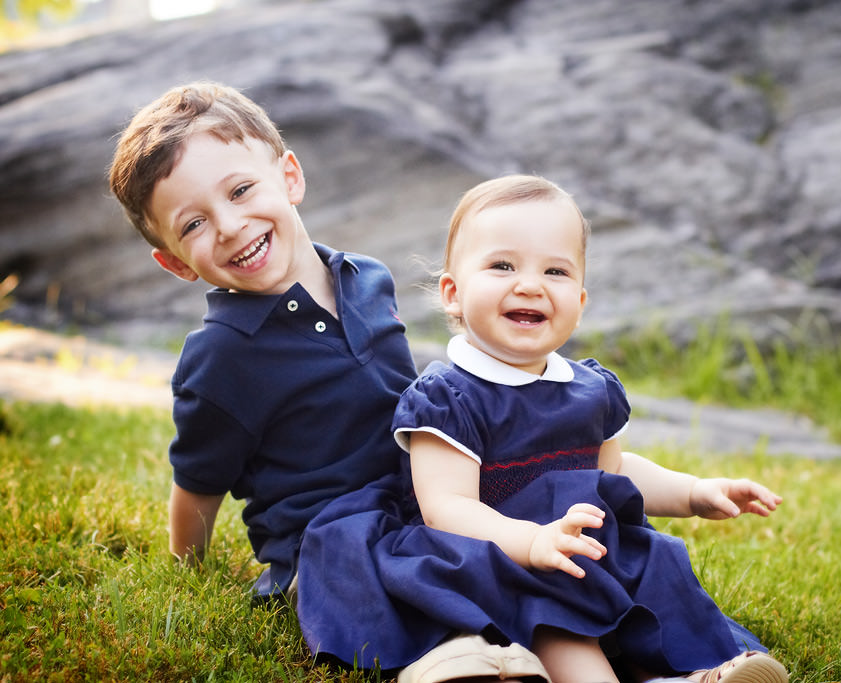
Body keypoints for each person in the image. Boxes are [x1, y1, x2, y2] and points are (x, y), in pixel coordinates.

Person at [107, 82, 551, 683]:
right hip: (329, 533)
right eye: (194, 224)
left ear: (289, 175)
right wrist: (188, 571)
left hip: (420, 496)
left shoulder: (367, 278)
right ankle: (446, 659)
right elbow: (197, 484)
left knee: (529, 516)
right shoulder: (221, 356)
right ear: (177, 263)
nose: (232, 225)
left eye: (241, 190)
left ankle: (672, 660)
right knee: (369, 557)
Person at [379, 174, 789, 683]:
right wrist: (531, 543)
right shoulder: (448, 398)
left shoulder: (589, 387)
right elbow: (446, 509)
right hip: (496, 558)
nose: (529, 284)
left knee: (657, 587)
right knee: (559, 619)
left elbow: (613, 471)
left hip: (582, 547)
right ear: (453, 294)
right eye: (502, 265)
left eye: (555, 271)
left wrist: (694, 492)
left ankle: (696, 672)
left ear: (580, 299)